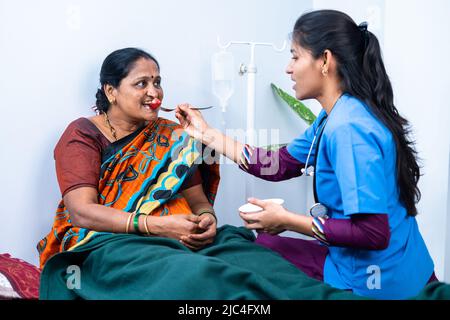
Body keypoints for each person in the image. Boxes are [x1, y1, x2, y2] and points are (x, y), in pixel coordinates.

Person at [36, 47, 362, 300]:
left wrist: (207, 220)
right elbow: (81, 211)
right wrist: (156, 226)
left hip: (183, 237)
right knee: (202, 278)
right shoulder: (83, 134)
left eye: (158, 82)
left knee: (264, 266)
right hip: (112, 244)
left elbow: (198, 201)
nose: (155, 92)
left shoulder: (173, 136)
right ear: (111, 91)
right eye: (141, 84)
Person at [175, 10, 437, 299]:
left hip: (380, 279)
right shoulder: (336, 114)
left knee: (243, 260)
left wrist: (287, 220)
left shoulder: (350, 129)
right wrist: (206, 133)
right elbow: (279, 164)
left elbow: (373, 233)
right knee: (261, 248)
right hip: (374, 261)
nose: (288, 68)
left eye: (295, 56)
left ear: (324, 60)